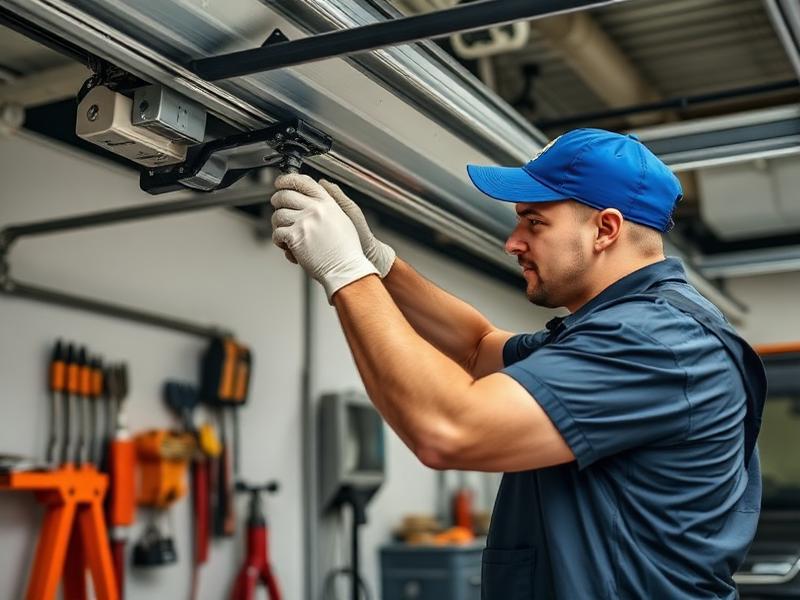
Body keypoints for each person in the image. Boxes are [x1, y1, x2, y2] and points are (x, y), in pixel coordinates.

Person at [270, 128, 766, 599]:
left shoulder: (655, 341)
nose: (513, 241)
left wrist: (346, 273)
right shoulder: (614, 328)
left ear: (606, 229)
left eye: (534, 221)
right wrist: (379, 262)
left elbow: (447, 429)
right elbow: (477, 346)